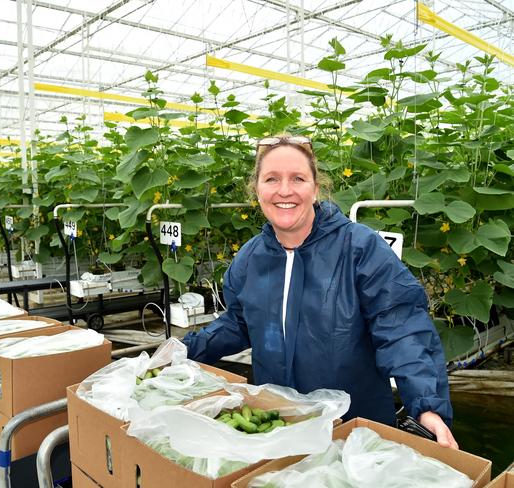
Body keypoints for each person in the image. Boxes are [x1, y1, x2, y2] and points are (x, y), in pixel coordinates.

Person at [183, 135, 458, 449]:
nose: (284, 190)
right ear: (256, 190)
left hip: (355, 431)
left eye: (298, 178)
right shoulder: (250, 259)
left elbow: (402, 327)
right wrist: (184, 350)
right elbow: (239, 323)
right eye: (272, 179)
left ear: (315, 188)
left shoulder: (359, 248)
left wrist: (427, 406)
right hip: (278, 426)